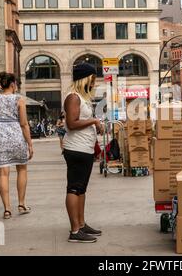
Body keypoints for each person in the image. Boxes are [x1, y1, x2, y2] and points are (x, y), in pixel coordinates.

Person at [0, 72, 34, 220]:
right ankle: (22, 204)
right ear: (12, 84)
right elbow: (23, 124)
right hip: (17, 137)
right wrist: (30, 143)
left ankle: (7, 209)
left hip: (0, 138)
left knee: (3, 173)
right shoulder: (19, 99)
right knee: (22, 169)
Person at [63, 63, 104, 243]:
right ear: (85, 78)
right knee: (74, 188)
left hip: (84, 148)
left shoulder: (81, 97)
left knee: (81, 189)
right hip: (76, 148)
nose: (94, 83)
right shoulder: (73, 97)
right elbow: (72, 123)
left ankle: (81, 224)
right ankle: (74, 231)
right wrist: (94, 121)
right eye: (93, 79)